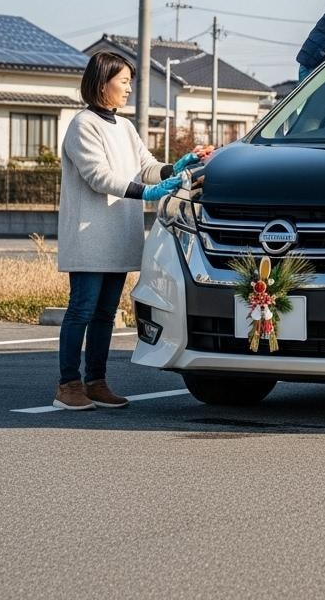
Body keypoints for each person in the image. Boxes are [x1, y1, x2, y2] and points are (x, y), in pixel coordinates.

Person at [55, 52, 211, 411]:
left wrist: (178, 165)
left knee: (106, 314)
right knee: (81, 309)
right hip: (90, 236)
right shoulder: (83, 125)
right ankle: (67, 384)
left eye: (129, 81)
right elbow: (98, 176)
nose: (128, 88)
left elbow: (146, 167)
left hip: (117, 235)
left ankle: (95, 381)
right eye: (123, 81)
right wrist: (147, 192)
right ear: (102, 83)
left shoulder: (123, 126)